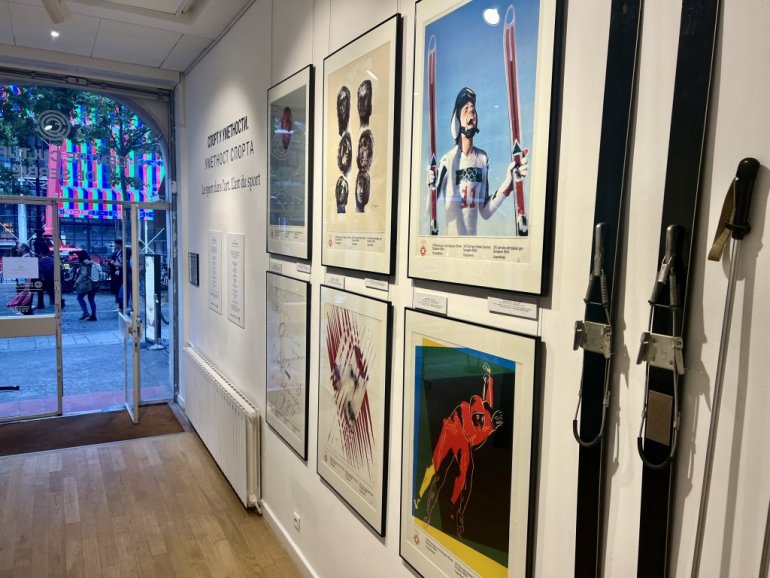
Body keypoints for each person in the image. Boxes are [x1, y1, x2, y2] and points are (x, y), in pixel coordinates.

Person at [413, 363, 504, 536]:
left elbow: (488, 400)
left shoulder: (484, 413)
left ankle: (457, 512)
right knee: (437, 470)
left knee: (466, 477)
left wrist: (489, 379)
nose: (480, 421)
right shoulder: (464, 411)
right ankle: (422, 500)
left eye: (481, 417)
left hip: (462, 441)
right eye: (477, 417)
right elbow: (473, 439)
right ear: (471, 413)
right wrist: (491, 427)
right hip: (451, 431)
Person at [426, 87, 528, 236]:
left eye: (473, 109)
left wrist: (509, 183)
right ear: (457, 121)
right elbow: (430, 210)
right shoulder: (447, 161)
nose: (471, 112)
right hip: (451, 245)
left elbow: (485, 211)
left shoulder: (482, 158)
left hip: (473, 245)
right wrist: (430, 186)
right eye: (466, 109)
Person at [74, 250, 97, 321]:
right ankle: (93, 315)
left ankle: (85, 312)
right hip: (94, 282)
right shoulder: (91, 262)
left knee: (80, 297)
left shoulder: (84, 263)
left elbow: (83, 274)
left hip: (86, 283)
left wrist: (76, 282)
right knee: (91, 300)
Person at [108, 239, 123, 306]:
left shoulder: (122, 253)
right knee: (117, 289)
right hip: (116, 274)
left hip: (120, 274)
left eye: (116, 244)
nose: (115, 245)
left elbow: (121, 264)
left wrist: (112, 262)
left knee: (119, 289)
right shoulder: (116, 253)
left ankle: (121, 305)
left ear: (119, 245)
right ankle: (119, 304)